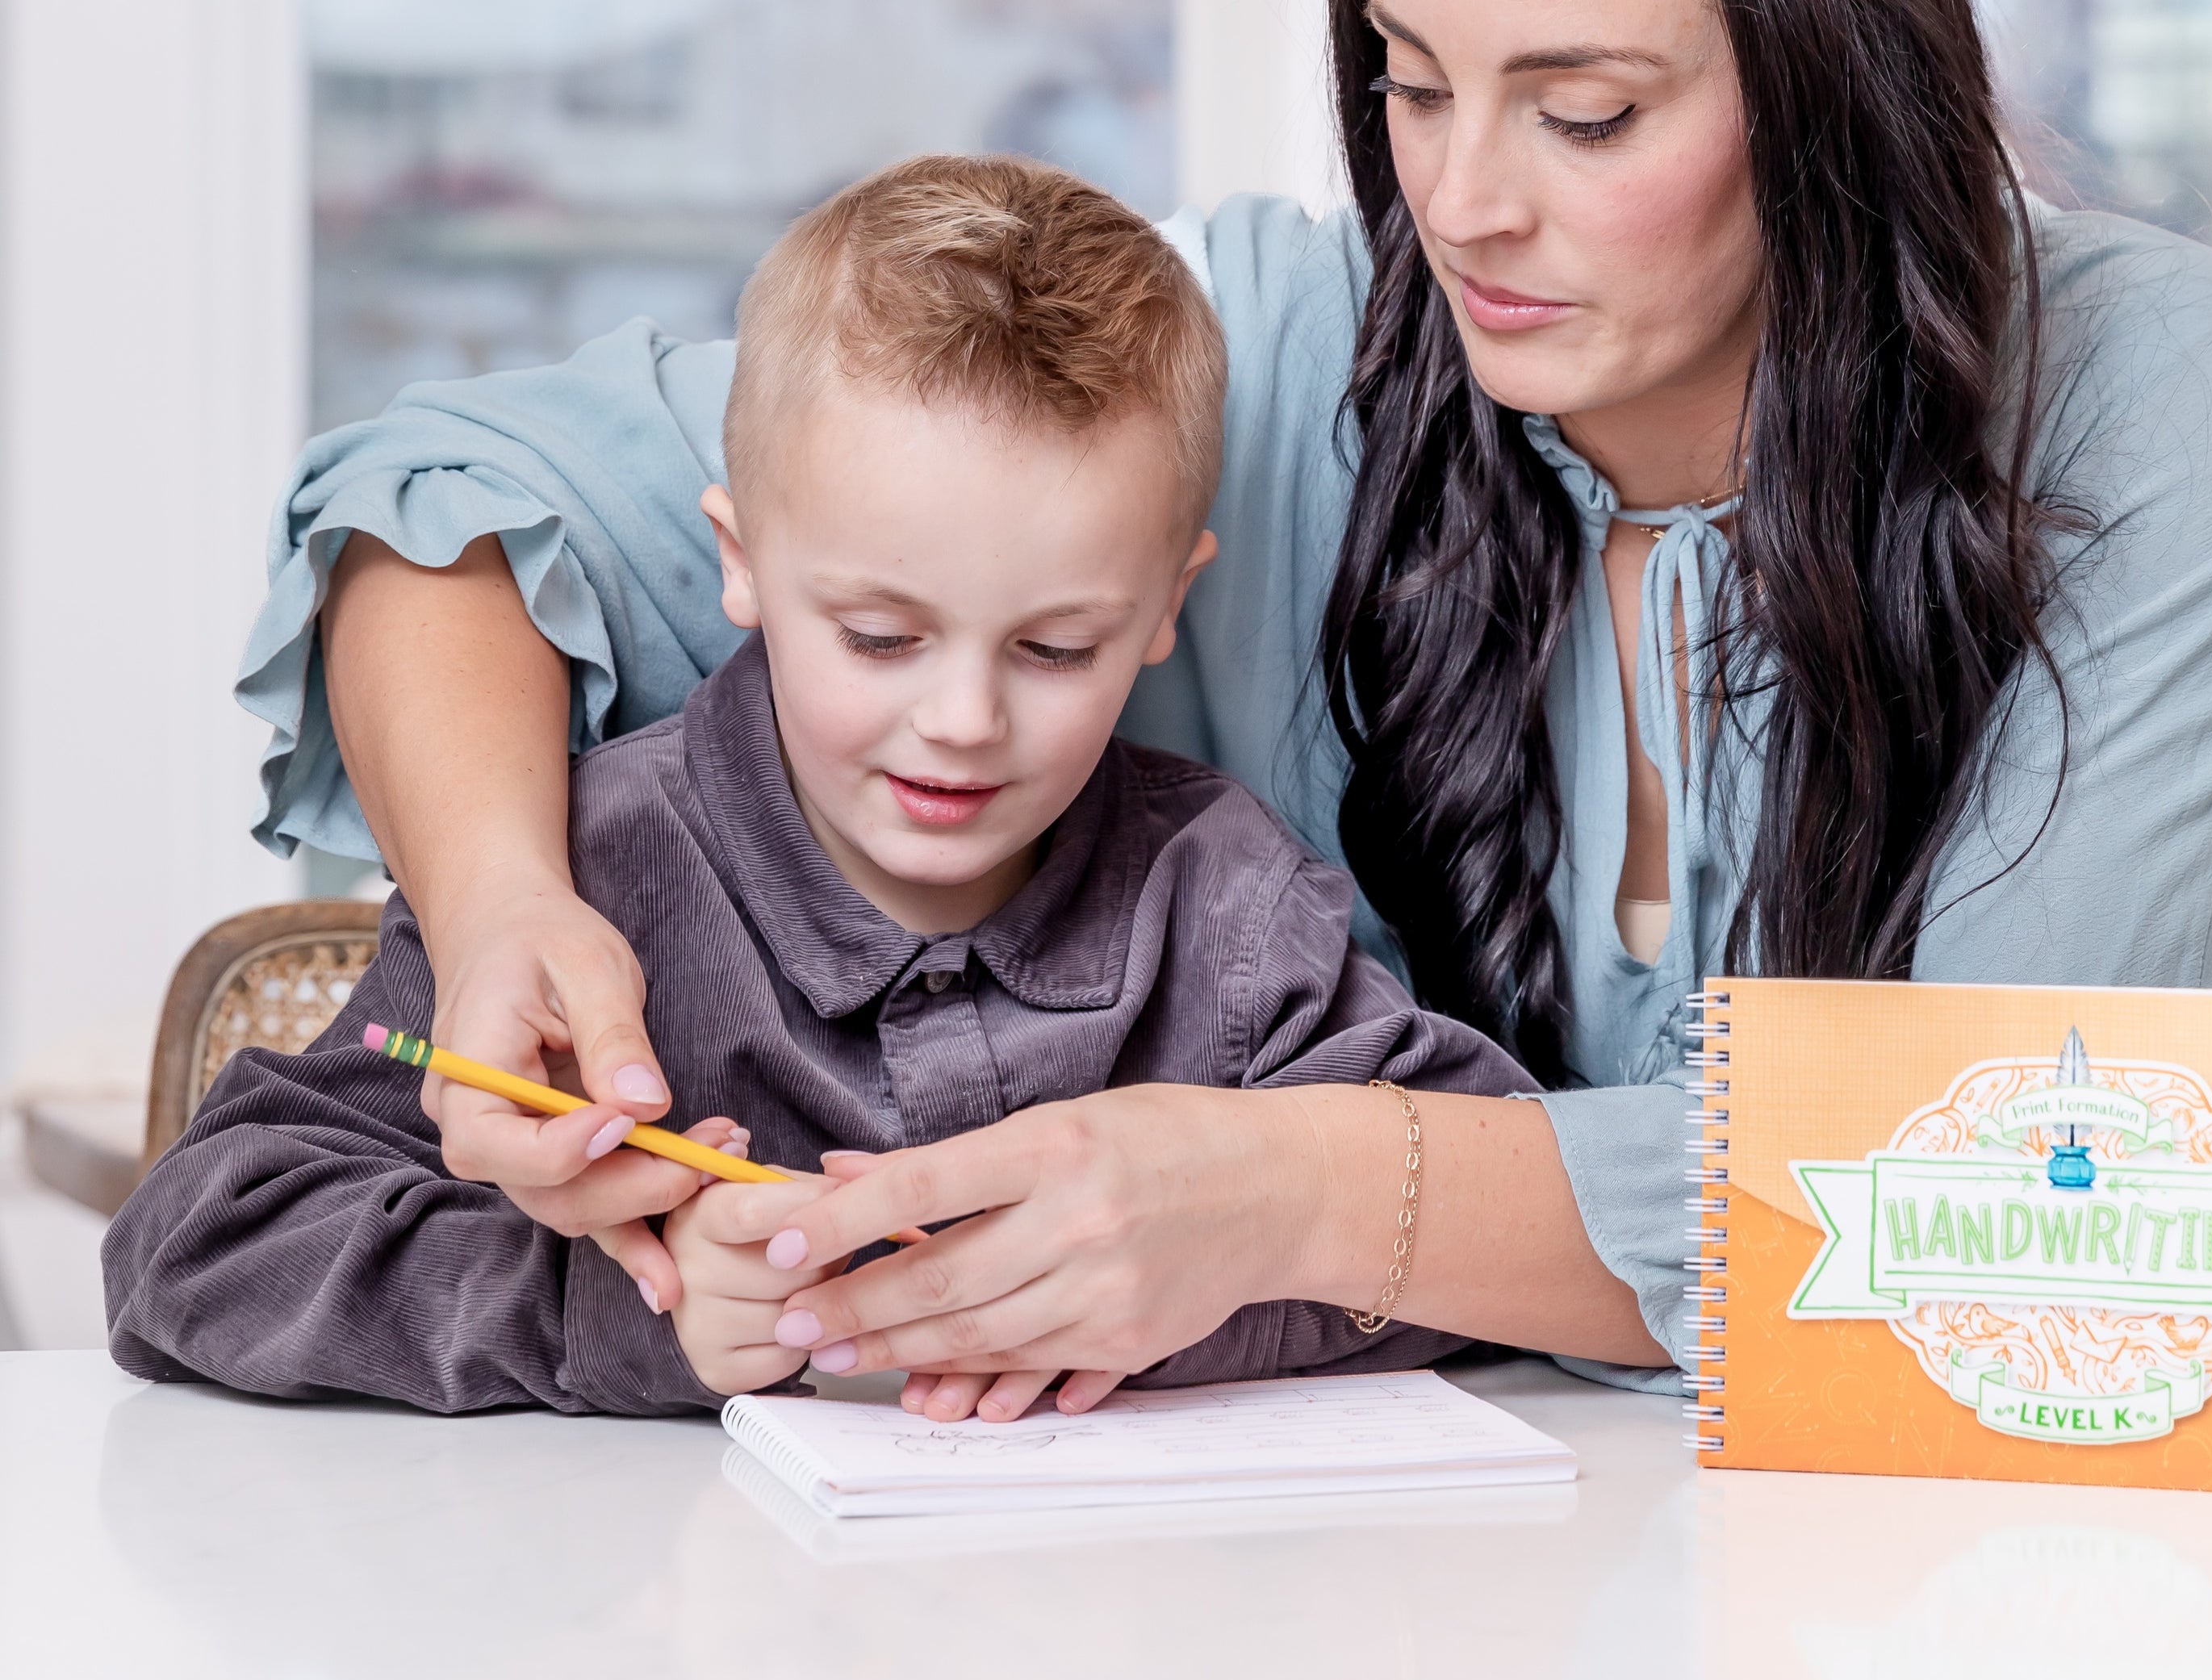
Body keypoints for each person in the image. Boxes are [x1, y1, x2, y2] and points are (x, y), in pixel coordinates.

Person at [242, 0, 2212, 1397]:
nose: (1463, 203)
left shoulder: (2152, 391)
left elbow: (2033, 1191)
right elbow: (460, 505)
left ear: (1831, 84)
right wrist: (511, 897)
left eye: (1586, 112)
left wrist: (1301, 1191)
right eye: (1410, 84)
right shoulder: (1276, 337)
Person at [106, 160, 1525, 1416]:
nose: (962, 721)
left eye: (1055, 646)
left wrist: (1176, 1299)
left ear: (1166, 607)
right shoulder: (586, 876)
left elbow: (1468, 1227)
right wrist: (614, 1313)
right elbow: (198, 1245)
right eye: (882, 638)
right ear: (740, 563)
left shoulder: (1227, 898)